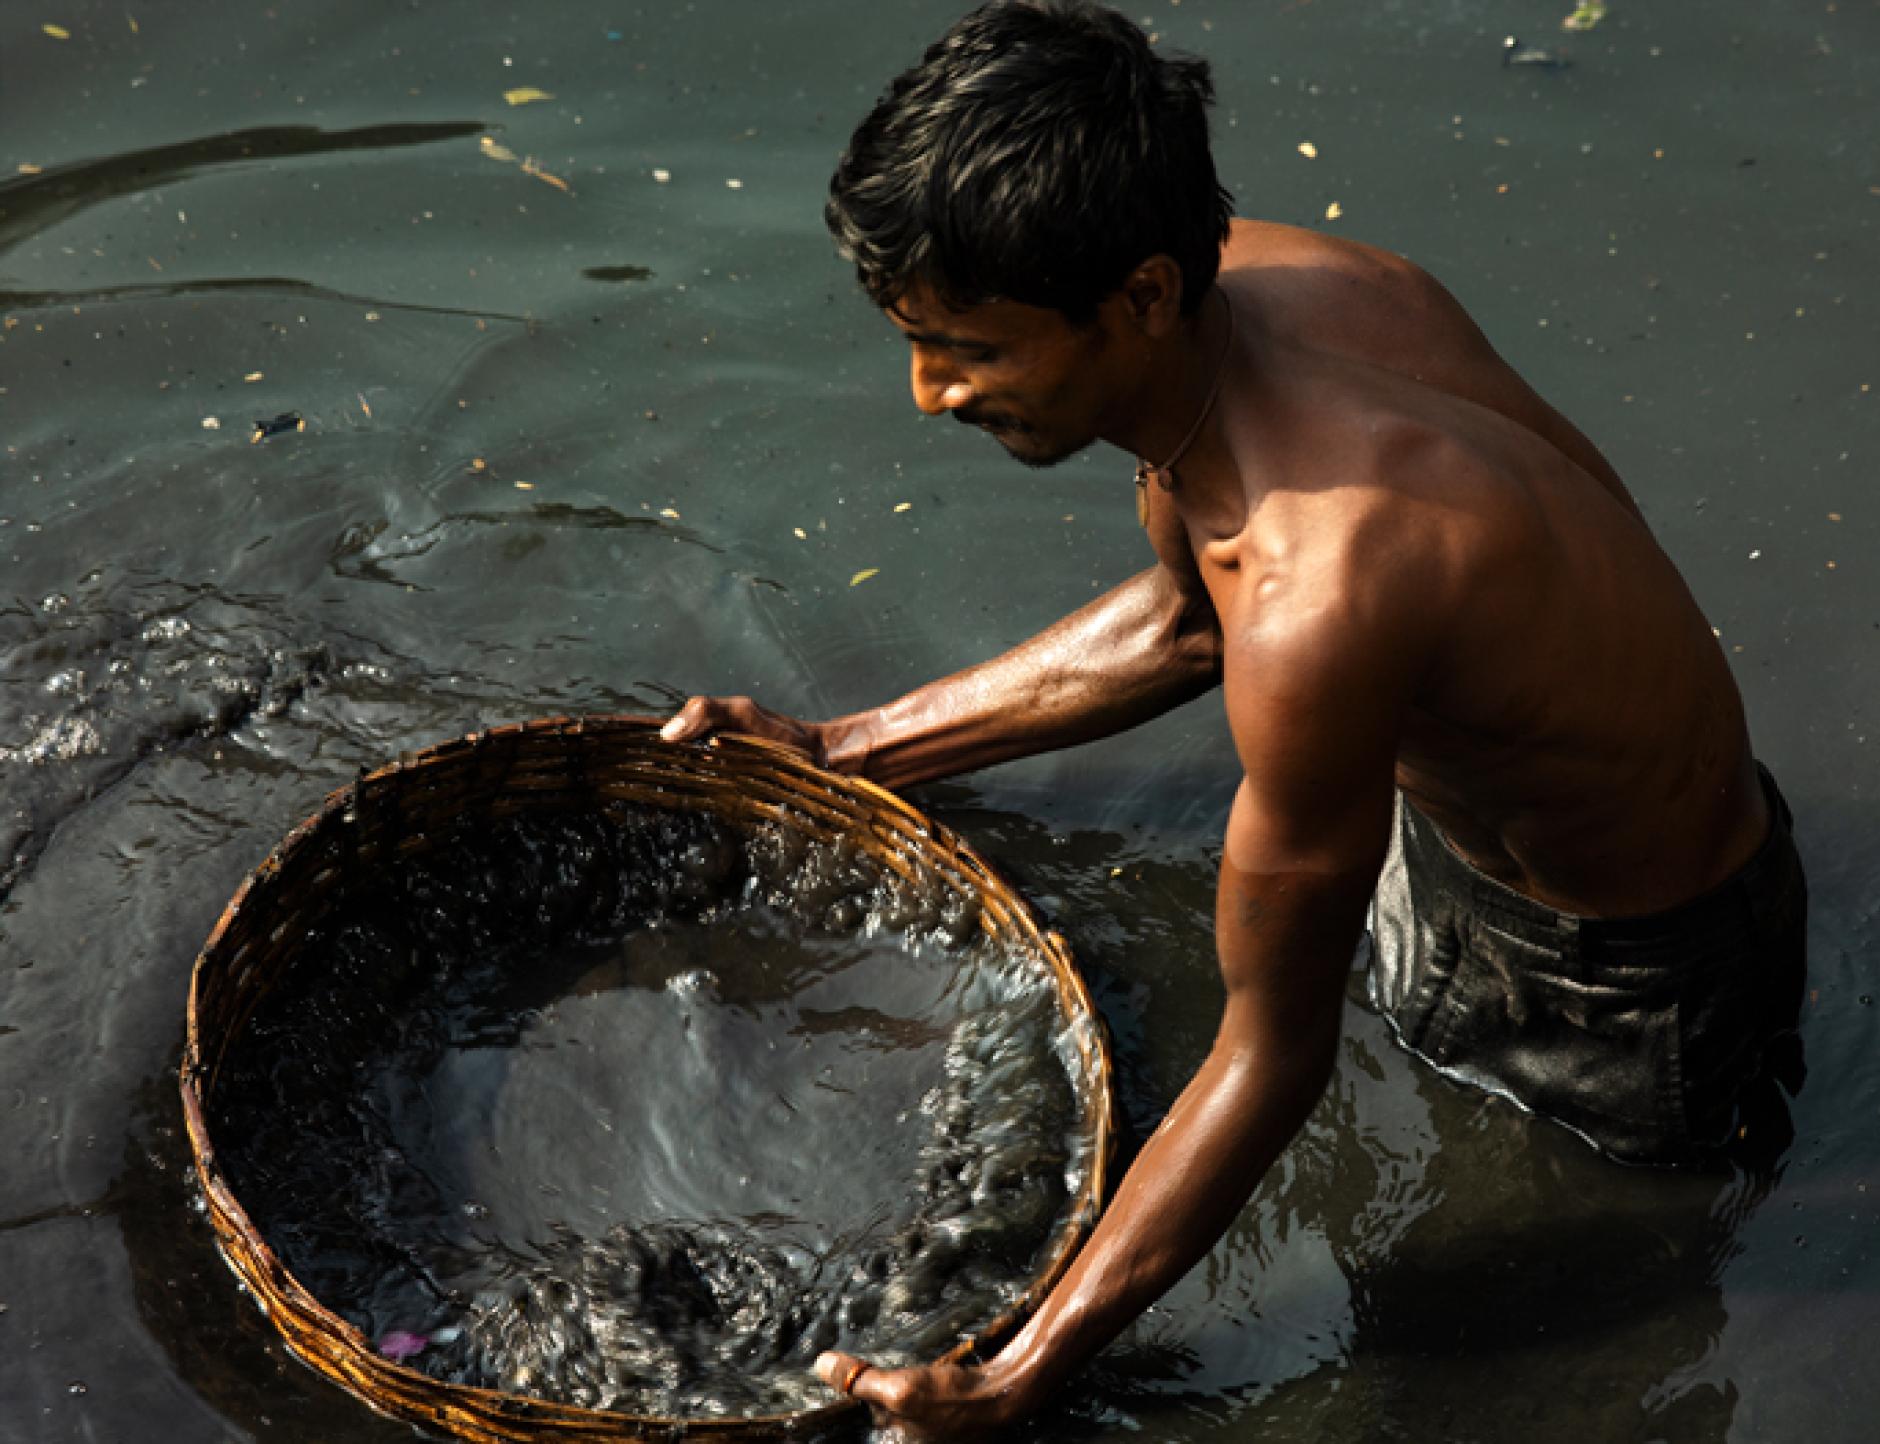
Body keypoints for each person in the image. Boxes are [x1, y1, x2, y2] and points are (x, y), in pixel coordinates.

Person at [659, 1, 1808, 1435]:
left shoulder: (1326, 581)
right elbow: (1200, 617)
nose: (928, 392)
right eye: (914, 339)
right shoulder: (1265, 291)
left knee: (1569, 1331)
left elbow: (1276, 1054)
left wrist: (1020, 1372)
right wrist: (847, 750)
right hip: (1462, 829)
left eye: (970, 350)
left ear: (1138, 294)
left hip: (1624, 989)